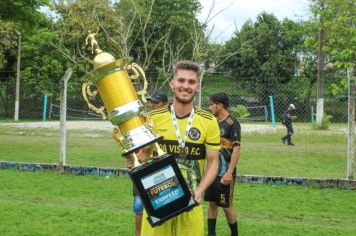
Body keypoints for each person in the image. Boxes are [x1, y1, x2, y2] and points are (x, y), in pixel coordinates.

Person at [140, 60, 221, 236]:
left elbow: (213, 162)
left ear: (198, 87)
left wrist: (200, 190)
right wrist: (136, 156)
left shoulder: (208, 121)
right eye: (181, 80)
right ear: (172, 83)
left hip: (192, 200)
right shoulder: (152, 118)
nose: (186, 86)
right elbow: (142, 159)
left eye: (191, 82)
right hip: (158, 199)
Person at [131, 91, 167, 236]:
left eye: (156, 102)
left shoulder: (170, 121)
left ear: (165, 104)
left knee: (162, 206)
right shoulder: (143, 120)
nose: (152, 105)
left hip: (160, 171)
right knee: (139, 207)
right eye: (151, 102)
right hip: (142, 168)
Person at [205, 93, 241, 236]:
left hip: (224, 173)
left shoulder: (232, 123)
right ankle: (211, 234)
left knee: (226, 206)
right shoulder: (211, 121)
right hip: (211, 172)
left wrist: (229, 172)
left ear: (219, 105)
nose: (210, 107)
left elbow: (236, 149)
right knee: (212, 203)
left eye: (211, 104)